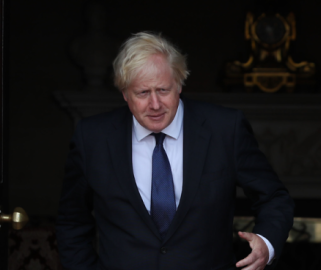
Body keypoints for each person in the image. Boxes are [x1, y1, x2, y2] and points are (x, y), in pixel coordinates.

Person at [56, 32, 294, 270]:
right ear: (125, 93)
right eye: (142, 93)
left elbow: (274, 198)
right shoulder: (93, 138)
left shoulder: (224, 130)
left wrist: (266, 243)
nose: (155, 104)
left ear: (179, 84)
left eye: (163, 90)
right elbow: (72, 221)